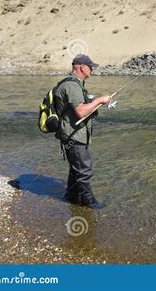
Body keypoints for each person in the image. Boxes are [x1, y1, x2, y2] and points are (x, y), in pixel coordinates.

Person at [54, 54, 112, 208]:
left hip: (74, 134)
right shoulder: (72, 86)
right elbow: (80, 112)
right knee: (84, 170)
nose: (92, 69)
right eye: (90, 66)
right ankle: (89, 203)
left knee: (76, 168)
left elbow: (79, 108)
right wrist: (99, 100)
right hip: (74, 135)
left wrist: (94, 102)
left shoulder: (75, 84)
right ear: (81, 67)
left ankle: (71, 197)